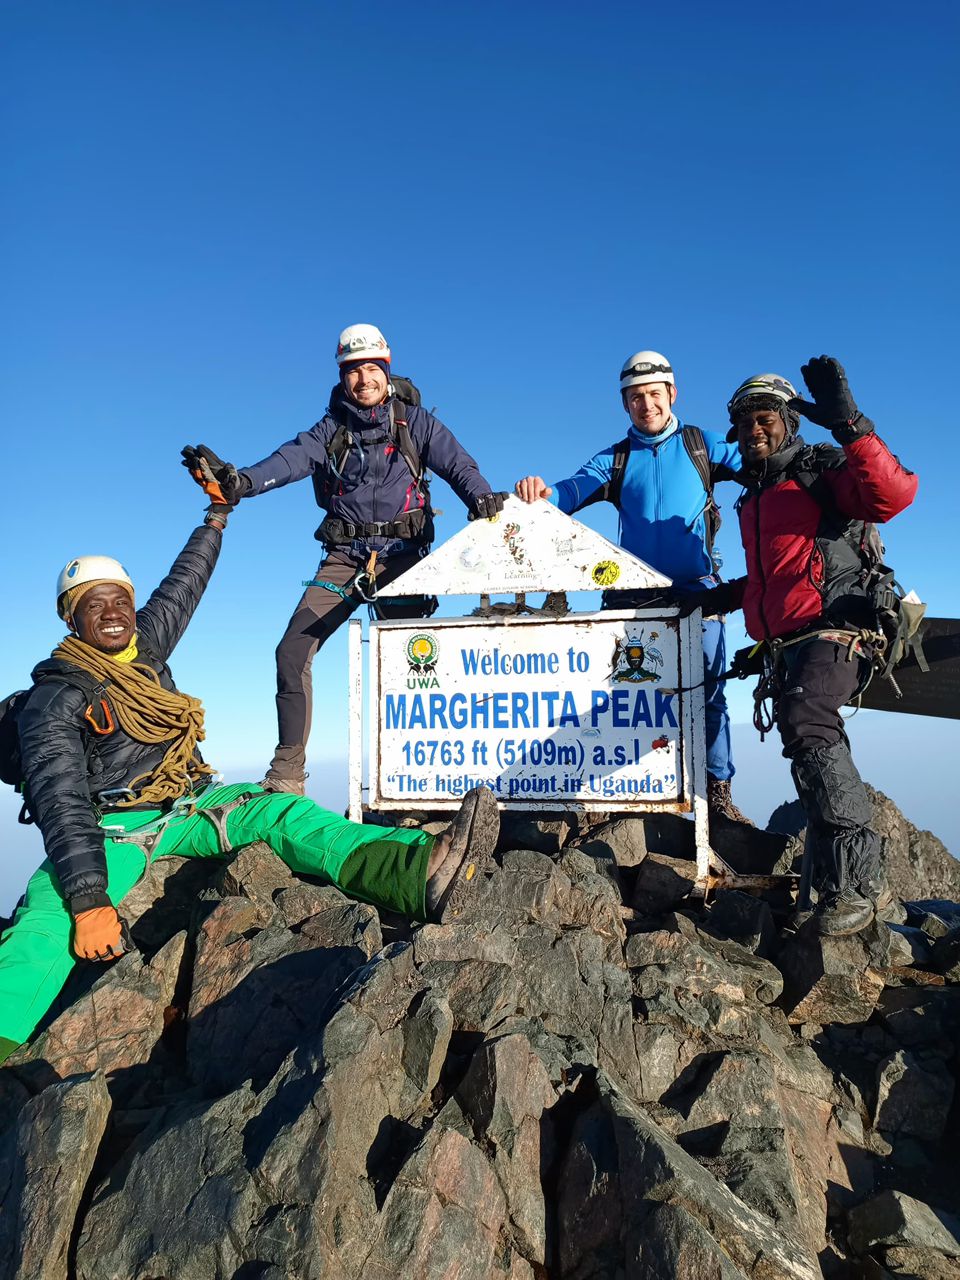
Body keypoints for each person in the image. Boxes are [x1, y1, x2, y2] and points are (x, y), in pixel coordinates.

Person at [0, 499, 499, 1065]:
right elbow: (61, 801)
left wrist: (215, 518)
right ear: (72, 618)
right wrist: (89, 901)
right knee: (46, 927)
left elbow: (183, 585)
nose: (112, 612)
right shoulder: (56, 699)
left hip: (186, 805)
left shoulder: (145, 650)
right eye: (95, 604)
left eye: (121, 600)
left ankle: (420, 872)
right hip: (111, 828)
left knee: (281, 812)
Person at [182, 323, 502, 795]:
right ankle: (287, 773)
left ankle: (425, 777)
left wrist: (480, 498)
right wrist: (241, 483)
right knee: (292, 651)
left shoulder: (414, 422)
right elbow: (289, 460)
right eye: (354, 370)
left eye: (372, 368)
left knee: (416, 665)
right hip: (344, 560)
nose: (364, 379)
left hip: (403, 558)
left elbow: (457, 463)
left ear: (386, 370)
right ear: (342, 376)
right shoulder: (331, 429)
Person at [694, 357, 918, 935]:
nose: (754, 432)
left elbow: (892, 497)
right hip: (791, 642)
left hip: (841, 628)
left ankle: (859, 883)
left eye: (764, 418)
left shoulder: (822, 469)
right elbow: (773, 580)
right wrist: (718, 602)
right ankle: (828, 890)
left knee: (807, 716)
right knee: (802, 739)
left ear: (789, 421)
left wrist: (852, 426)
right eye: (744, 425)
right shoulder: (756, 498)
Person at [514, 350, 747, 825]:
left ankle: (717, 792)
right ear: (625, 404)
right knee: (626, 698)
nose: (646, 405)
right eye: (636, 397)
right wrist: (542, 494)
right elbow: (573, 490)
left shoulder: (703, 446)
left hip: (698, 590)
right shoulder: (617, 458)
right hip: (633, 596)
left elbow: (760, 464)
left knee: (711, 692)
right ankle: (624, 796)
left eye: (654, 395)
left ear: (671, 394)